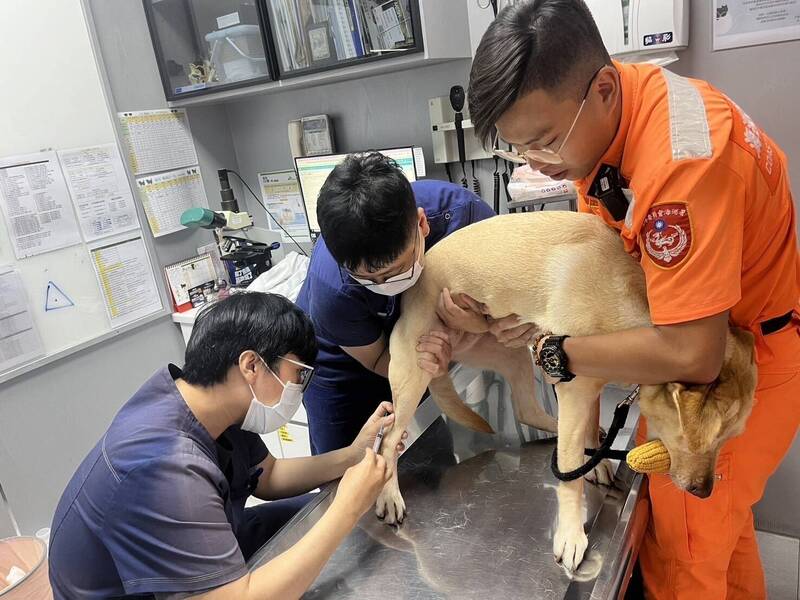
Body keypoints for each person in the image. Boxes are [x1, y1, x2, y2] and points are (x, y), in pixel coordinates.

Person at [458, 1, 800, 598]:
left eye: (544, 141)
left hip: (735, 370)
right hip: (726, 348)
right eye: (519, 152)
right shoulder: (612, 131)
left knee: (681, 551)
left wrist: (559, 352)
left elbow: (694, 353)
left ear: (604, 89)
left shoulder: (682, 164)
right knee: (725, 531)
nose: (539, 164)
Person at [48, 292, 407, 599]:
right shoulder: (164, 466)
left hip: (203, 549)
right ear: (252, 364)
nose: (299, 387)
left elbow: (269, 476)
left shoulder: (209, 405)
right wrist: (345, 507)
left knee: (320, 512)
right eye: (298, 373)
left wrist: (353, 455)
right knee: (339, 515)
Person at [296, 152, 524, 454]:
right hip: (344, 366)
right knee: (345, 469)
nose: (384, 286)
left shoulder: (465, 219)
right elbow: (379, 360)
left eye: (395, 271)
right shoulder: (333, 290)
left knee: (427, 455)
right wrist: (433, 365)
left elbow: (510, 295)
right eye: (369, 279)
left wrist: (484, 325)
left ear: (421, 224)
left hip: (423, 341)